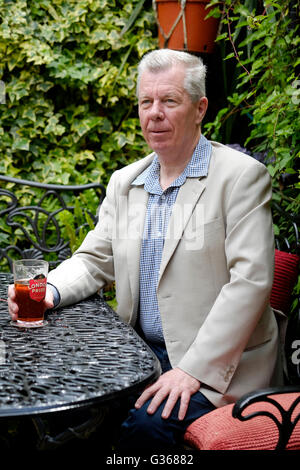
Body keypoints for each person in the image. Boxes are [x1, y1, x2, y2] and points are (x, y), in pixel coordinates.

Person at [8, 49, 282, 451]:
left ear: (199, 108)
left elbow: (250, 281)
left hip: (219, 365)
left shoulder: (240, 178)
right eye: (146, 102)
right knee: (57, 408)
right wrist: (44, 292)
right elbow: (94, 259)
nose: (155, 113)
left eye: (169, 101)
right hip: (135, 354)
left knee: (145, 428)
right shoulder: (127, 182)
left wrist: (193, 370)